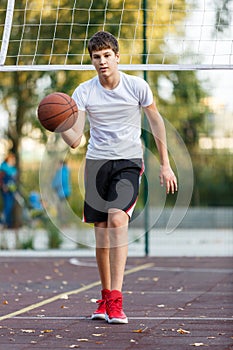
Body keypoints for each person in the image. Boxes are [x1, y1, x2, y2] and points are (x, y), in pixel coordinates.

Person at [61, 31, 178, 324]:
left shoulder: (136, 87)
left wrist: (165, 165)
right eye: (96, 57)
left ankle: (116, 299)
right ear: (92, 61)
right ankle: (105, 295)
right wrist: (58, 122)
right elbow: (74, 140)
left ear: (117, 57)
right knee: (101, 231)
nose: (102, 62)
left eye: (106, 56)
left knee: (117, 219)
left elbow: (156, 123)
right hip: (96, 163)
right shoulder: (84, 92)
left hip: (128, 161)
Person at [0, 153, 18, 228]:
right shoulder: (3, 168)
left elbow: (14, 181)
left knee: (10, 206)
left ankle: (8, 224)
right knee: (7, 206)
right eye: (12, 159)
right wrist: (3, 186)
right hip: (5, 190)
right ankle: (2, 222)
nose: (14, 161)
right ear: (9, 159)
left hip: (12, 190)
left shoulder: (14, 169)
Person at [52, 160, 71, 225]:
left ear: (61, 164)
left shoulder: (60, 172)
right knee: (64, 208)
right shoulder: (67, 171)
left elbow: (57, 182)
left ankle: (62, 223)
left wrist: (53, 186)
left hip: (61, 193)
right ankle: (65, 223)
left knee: (61, 208)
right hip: (67, 192)